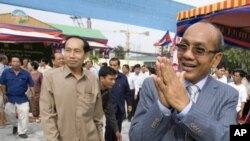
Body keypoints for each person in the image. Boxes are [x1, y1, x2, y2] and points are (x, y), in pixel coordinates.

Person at [129, 22, 238, 141]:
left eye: (199, 50)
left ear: (216, 59)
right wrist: (162, 107)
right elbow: (136, 137)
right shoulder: (154, 85)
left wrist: (186, 108)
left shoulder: (227, 94)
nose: (187, 55)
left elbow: (228, 136)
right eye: (183, 46)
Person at [40, 36, 104, 141]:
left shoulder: (92, 78)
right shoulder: (50, 77)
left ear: (85, 55)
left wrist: (101, 137)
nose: (71, 55)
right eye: (68, 50)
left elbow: (97, 116)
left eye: (77, 51)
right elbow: (47, 114)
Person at [0, 56, 35, 139]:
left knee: (24, 113)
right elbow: (2, 83)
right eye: (14, 61)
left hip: (23, 97)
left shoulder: (26, 73)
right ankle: (15, 125)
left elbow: (31, 84)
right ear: (11, 63)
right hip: (10, 97)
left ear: (20, 63)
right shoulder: (6, 72)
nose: (16, 63)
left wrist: (33, 95)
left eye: (17, 61)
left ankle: (22, 131)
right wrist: (4, 94)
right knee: (9, 113)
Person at [109, 57, 132, 141]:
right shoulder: (105, 77)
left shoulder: (123, 78)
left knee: (118, 129)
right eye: (110, 65)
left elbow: (127, 93)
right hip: (109, 109)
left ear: (118, 66)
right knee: (109, 129)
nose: (112, 67)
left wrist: (129, 104)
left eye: (114, 65)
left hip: (120, 108)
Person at [99, 66, 122, 141]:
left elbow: (110, 113)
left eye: (114, 79)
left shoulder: (107, 92)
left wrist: (116, 131)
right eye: (111, 79)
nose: (114, 82)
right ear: (102, 78)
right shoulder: (90, 88)